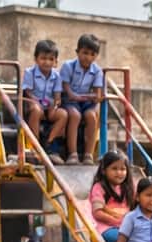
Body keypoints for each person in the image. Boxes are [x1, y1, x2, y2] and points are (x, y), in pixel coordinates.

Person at [59, 33, 104, 165]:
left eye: (92, 54)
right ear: (77, 52)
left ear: (96, 56)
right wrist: (82, 96)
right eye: (85, 53)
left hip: (86, 102)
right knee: (75, 115)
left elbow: (97, 95)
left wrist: (89, 97)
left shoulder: (97, 71)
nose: (88, 57)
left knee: (91, 116)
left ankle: (88, 154)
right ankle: (73, 154)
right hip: (69, 101)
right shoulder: (68, 66)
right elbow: (67, 90)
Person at [20, 40, 68, 163]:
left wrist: (55, 105)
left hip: (48, 107)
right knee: (36, 110)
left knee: (63, 114)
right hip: (33, 104)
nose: (47, 62)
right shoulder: (29, 73)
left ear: (56, 62)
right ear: (36, 59)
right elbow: (28, 93)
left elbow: (57, 96)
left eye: (51, 59)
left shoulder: (57, 76)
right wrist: (37, 102)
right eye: (43, 58)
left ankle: (49, 143)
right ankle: (35, 146)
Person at [87, 151, 133, 242]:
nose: (119, 173)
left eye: (123, 169)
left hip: (124, 227)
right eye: (114, 169)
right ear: (104, 170)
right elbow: (97, 213)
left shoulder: (126, 188)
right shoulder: (99, 187)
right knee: (123, 239)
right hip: (106, 227)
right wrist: (118, 222)